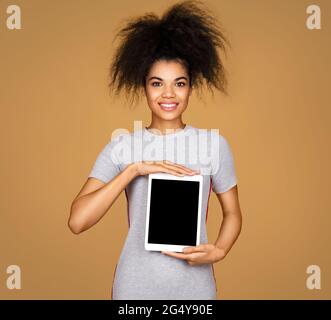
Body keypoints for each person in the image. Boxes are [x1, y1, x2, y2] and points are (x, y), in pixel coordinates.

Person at [68, 0, 242, 300]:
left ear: (191, 87)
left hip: (195, 289)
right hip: (134, 287)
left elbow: (233, 213)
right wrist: (134, 169)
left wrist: (220, 249)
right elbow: (78, 221)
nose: (169, 94)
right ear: (144, 87)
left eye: (180, 83)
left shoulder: (214, 145)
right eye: (157, 83)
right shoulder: (122, 146)